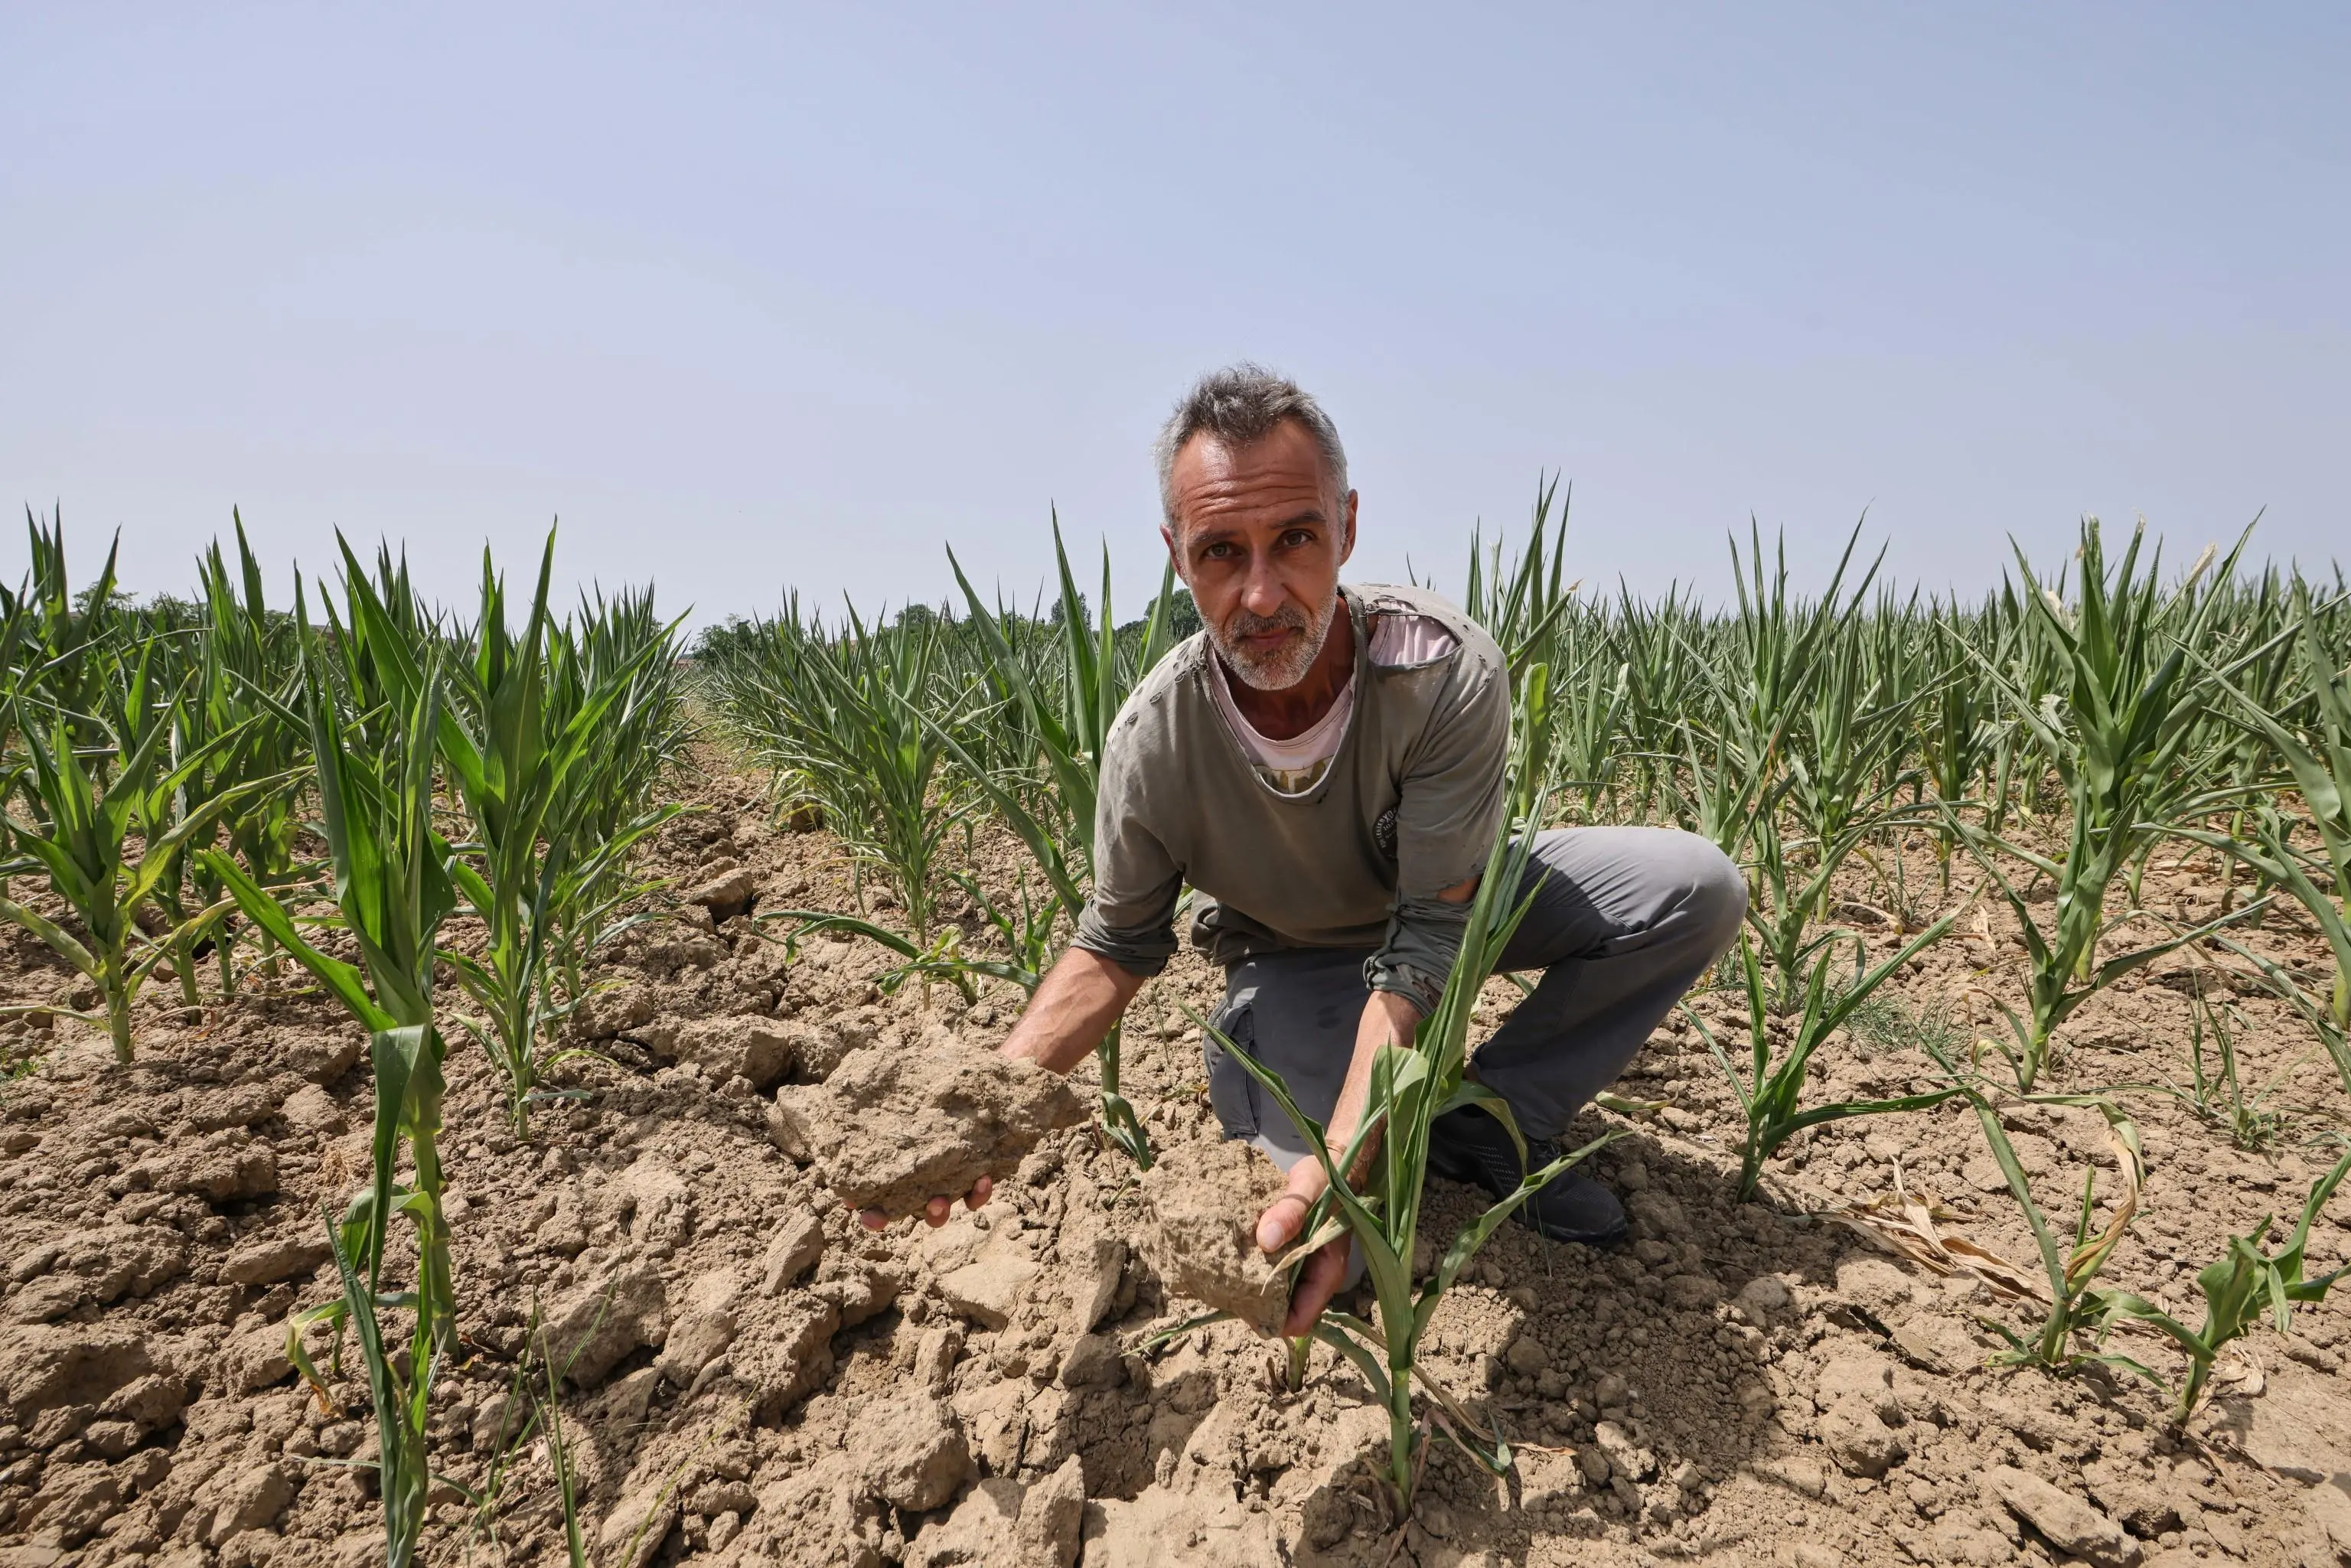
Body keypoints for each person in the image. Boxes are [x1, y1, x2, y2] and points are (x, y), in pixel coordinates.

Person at [866, 364, 1745, 1336]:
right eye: (1220, 552)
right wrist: (986, 1113)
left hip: (1446, 908)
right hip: (1296, 955)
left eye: (1295, 539)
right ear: (1176, 556)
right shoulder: (1156, 744)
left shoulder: (1438, 674)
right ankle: (1323, 1093)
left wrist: (1352, 1141)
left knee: (1692, 888)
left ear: (1348, 527)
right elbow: (1116, 944)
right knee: (1325, 1227)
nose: (1261, 592)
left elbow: (1430, 943)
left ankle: (1498, 1119)